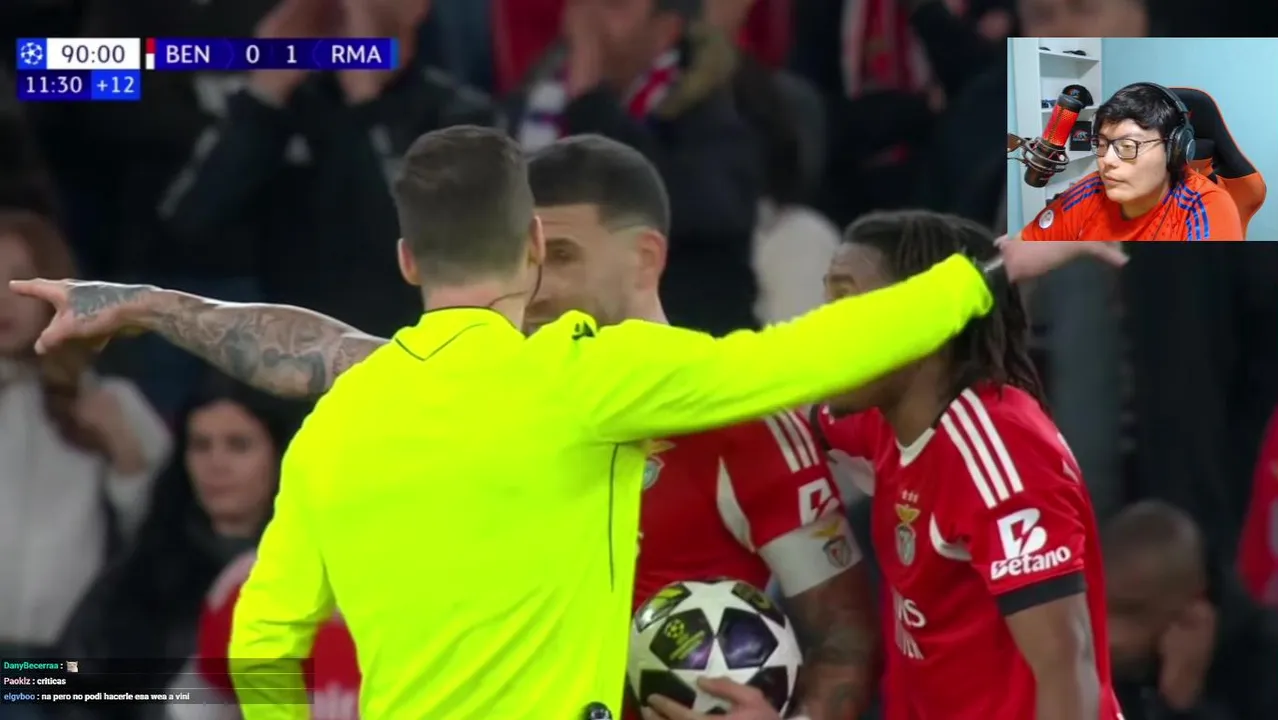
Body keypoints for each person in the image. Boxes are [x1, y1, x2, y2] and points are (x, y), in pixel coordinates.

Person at [12, 130, 1122, 720]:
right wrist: (997, 266)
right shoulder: (591, 378)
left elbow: (262, 642)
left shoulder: (346, 416)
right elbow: (796, 356)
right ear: (533, 249)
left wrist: (142, 303)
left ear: (406, 261)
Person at [810, 210, 1123, 720]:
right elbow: (773, 416)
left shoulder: (1002, 452)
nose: (821, 324)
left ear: (928, 324)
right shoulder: (882, 421)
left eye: (845, 300)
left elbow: (1066, 667)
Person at [508, 0, 762, 336]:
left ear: (665, 29)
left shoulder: (713, 110)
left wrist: (589, 101)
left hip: (687, 336)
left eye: (614, 5)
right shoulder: (534, 100)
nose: (589, 20)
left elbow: (698, 208)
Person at [56, 373, 299, 720]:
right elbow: (59, 680)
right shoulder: (142, 568)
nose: (216, 464)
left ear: (279, 457)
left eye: (238, 445)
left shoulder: (315, 573)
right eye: (201, 445)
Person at [0, 210, 170, 673]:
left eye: (19, 281)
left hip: (64, 660)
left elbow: (162, 533)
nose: (3, 300)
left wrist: (126, 456)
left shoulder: (110, 400)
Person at [1105, 500, 1278, 720]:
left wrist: (1182, 702)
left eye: (1131, 611)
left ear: (1193, 607)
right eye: (1098, 606)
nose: (1109, 636)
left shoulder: (1266, 665)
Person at [1014, 83, 1243, 241]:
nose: (1106, 161)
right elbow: (1024, 245)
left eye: (1127, 146)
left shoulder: (1205, 207)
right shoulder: (1092, 189)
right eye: (1101, 144)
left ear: (1174, 150)